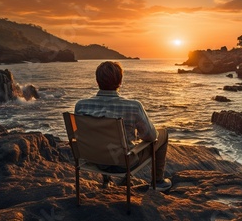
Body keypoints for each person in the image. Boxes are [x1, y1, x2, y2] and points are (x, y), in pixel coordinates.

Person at [74, 61, 172, 191]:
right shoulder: (133, 106)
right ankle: (158, 181)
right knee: (162, 133)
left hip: (95, 160)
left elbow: (82, 135)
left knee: (101, 138)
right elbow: (151, 136)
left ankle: (107, 180)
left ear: (97, 81)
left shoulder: (81, 105)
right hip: (123, 164)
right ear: (120, 81)